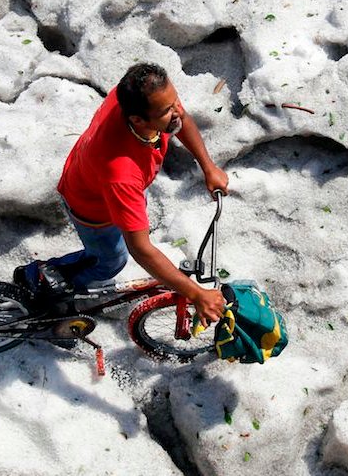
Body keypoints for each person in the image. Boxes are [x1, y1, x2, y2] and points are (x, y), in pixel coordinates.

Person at [15, 62, 228, 324]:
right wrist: (196, 294)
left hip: (99, 179)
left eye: (175, 101)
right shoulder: (122, 173)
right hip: (92, 206)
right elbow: (141, 250)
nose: (177, 111)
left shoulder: (144, 97)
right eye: (167, 110)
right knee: (109, 261)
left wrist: (208, 167)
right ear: (137, 120)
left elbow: (180, 119)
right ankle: (43, 284)